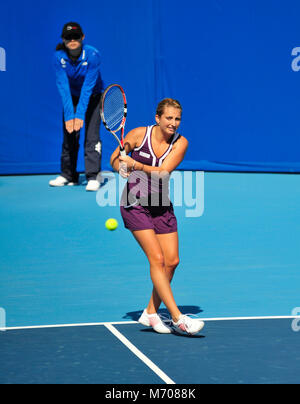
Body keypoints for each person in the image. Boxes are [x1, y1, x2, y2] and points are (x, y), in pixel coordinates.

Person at [110, 98, 205, 335]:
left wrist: (135, 165)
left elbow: (163, 172)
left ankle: (150, 312)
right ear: (158, 118)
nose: (173, 123)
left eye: (177, 119)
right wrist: (122, 166)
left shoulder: (180, 143)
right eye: (169, 118)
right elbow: (115, 162)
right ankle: (178, 317)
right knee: (157, 259)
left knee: (172, 261)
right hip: (134, 204)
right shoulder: (138, 135)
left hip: (161, 205)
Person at [50, 22, 104, 191]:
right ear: (63, 40)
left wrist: (79, 115)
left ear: (83, 37)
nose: (72, 40)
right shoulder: (58, 57)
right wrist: (69, 116)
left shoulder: (93, 55)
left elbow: (88, 88)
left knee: (91, 137)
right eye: (68, 37)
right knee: (69, 135)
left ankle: (93, 176)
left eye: (76, 37)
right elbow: (63, 89)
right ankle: (68, 175)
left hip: (94, 97)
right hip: (71, 97)